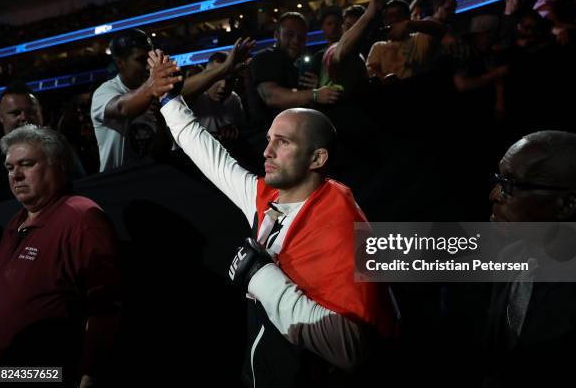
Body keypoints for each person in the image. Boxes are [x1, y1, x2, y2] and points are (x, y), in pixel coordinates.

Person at [149, 43, 394, 387]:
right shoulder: (266, 196)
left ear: (317, 159)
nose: (267, 151)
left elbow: (351, 348)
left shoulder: (342, 226)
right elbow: (205, 151)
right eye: (268, 140)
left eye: (283, 142)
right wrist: (168, 100)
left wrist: (263, 277)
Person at [0, 125, 121, 387]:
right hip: (6, 372)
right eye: (9, 168)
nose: (15, 175)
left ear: (59, 164)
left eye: (26, 164)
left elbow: (105, 306)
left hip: (48, 374)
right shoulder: (15, 222)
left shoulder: (81, 218)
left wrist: (88, 378)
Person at [485, 130, 576, 387]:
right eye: (499, 180)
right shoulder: (511, 256)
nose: (494, 195)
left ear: (566, 205)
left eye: (511, 185)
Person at [90, 28, 181, 171]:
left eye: (149, 59)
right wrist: (152, 86)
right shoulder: (105, 91)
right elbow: (122, 107)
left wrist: (162, 121)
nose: (147, 66)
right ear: (120, 63)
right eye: (140, 60)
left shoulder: (154, 89)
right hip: (118, 185)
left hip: (150, 181)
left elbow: (162, 152)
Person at [0, 83, 43, 203]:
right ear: (0, 117)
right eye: (16, 113)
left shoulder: (61, 147)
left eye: (31, 111)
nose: (24, 117)